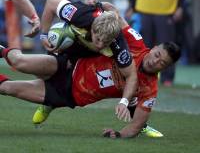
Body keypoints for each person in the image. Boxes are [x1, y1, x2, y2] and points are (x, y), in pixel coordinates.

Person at [0, 24, 181, 138]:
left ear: (165, 68)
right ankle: (2, 49)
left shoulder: (149, 90)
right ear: (154, 47)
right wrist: (94, 5)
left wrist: (118, 134)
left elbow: (136, 125)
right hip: (69, 65)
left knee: (8, 88)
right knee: (19, 61)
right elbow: (112, 13)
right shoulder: (136, 42)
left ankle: (49, 104)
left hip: (68, 94)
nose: (155, 61)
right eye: (157, 55)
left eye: (162, 63)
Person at [38, 0, 138, 122]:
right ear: (92, 28)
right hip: (74, 44)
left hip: (96, 58)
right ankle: (49, 103)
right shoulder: (80, 14)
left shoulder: (118, 43)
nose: (101, 44)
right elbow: (50, 4)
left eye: (105, 42)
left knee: (130, 82)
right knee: (47, 70)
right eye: (98, 39)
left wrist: (124, 101)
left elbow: (131, 76)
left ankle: (139, 125)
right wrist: (44, 35)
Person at [130, 0, 185, 86]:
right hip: (144, 9)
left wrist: (180, 7)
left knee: (166, 46)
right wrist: (132, 6)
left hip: (165, 11)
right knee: (144, 44)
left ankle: (167, 78)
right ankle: (140, 74)